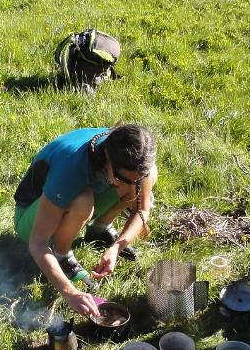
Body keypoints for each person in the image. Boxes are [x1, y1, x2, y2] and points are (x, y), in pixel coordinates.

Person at [14, 125, 157, 318]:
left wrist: (116, 248)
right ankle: (61, 254)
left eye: (137, 179)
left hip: (81, 189)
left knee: (147, 177)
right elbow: (37, 243)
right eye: (123, 178)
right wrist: (69, 292)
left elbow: (142, 209)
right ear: (107, 158)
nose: (131, 186)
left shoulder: (132, 160)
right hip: (31, 216)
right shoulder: (70, 170)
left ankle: (100, 227)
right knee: (83, 200)